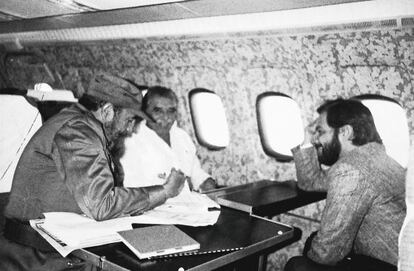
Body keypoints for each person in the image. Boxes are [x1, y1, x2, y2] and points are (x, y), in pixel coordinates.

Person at [0, 73, 186, 270]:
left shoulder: (79, 123)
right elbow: (102, 204)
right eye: (129, 119)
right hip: (38, 256)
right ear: (107, 111)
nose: (130, 129)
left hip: (52, 243)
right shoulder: (77, 131)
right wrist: (164, 191)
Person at [284, 98, 406, 271]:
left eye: (321, 131)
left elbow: (327, 252)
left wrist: (312, 257)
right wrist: (306, 141)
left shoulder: (350, 170)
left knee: (297, 265)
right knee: (313, 241)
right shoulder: (374, 157)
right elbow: (311, 182)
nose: (316, 139)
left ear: (345, 132)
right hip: (398, 259)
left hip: (391, 265)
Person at [120, 86, 217, 192]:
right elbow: (132, 191)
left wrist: (206, 182)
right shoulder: (131, 142)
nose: (166, 117)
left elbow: (196, 173)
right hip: (157, 206)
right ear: (144, 112)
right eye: (158, 111)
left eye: (171, 111)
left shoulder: (182, 137)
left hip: (189, 202)